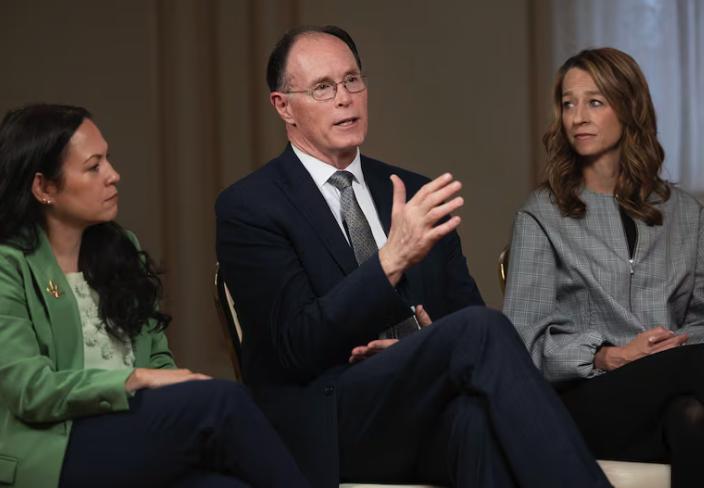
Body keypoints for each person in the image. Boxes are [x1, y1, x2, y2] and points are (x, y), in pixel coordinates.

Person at [216, 25, 611, 488]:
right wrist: (391, 260)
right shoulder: (250, 205)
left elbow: (462, 318)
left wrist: (420, 342)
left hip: (420, 406)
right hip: (329, 416)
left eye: (352, 80)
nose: (345, 98)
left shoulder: (414, 191)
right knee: (482, 333)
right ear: (283, 105)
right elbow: (294, 347)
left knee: (476, 423)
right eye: (323, 88)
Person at [0, 104, 310, 488]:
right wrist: (134, 380)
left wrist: (165, 385)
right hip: (56, 446)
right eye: (93, 166)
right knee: (222, 402)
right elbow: (31, 391)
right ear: (44, 187)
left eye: (107, 159)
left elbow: (157, 356)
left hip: (135, 431)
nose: (114, 175)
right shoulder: (8, 267)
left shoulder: (119, 250)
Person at [503, 47, 704, 488]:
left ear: (629, 107)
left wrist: (672, 348)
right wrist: (609, 355)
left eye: (595, 101)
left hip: (671, 392)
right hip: (583, 405)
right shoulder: (541, 215)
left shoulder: (684, 214)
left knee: (692, 417)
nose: (577, 117)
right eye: (568, 103)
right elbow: (523, 345)